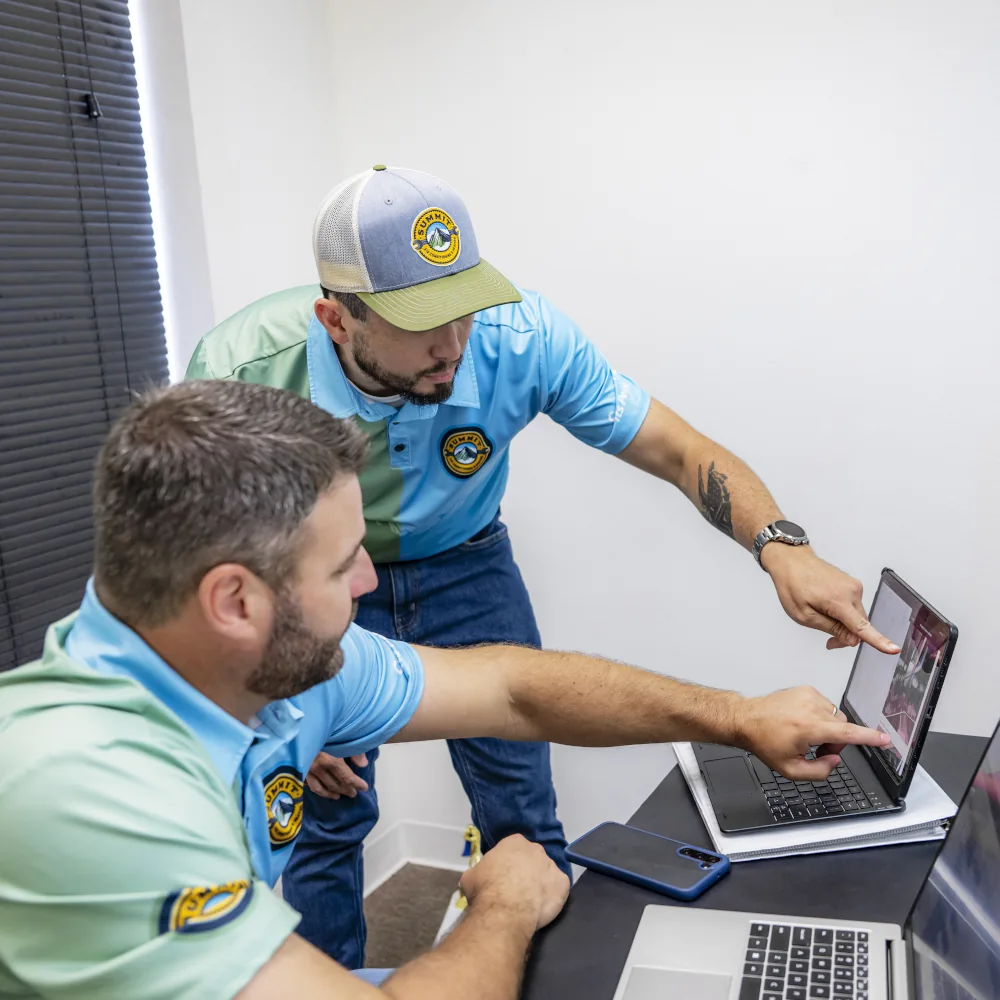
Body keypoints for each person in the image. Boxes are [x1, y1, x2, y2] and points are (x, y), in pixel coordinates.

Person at [186, 165, 900, 965]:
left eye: (463, 312)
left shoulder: (518, 336)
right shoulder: (243, 373)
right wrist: (280, 705)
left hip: (467, 563)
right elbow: (215, 560)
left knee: (521, 807)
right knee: (326, 820)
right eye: (422, 327)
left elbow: (676, 448)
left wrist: (781, 546)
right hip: (311, 588)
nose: (454, 347)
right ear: (335, 319)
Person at [0, 381, 892, 1000]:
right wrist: (500, 905)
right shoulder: (83, 787)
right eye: (345, 563)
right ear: (235, 599)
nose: (367, 585)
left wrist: (738, 718)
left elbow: (510, 689)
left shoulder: (265, 671)